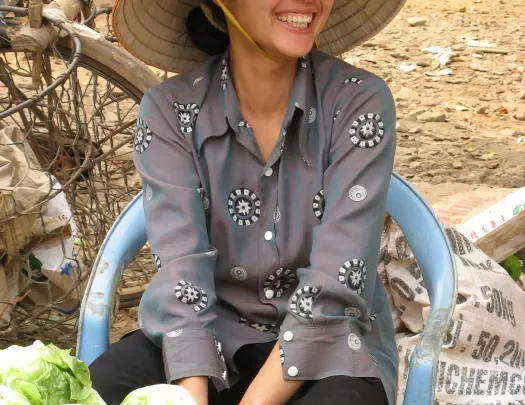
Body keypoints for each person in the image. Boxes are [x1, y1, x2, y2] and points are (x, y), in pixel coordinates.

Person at [89, 0, 407, 404]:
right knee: (99, 389)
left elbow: (335, 284)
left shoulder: (359, 103)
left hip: (330, 345)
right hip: (205, 334)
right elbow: (181, 275)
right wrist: (191, 399)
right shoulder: (169, 112)